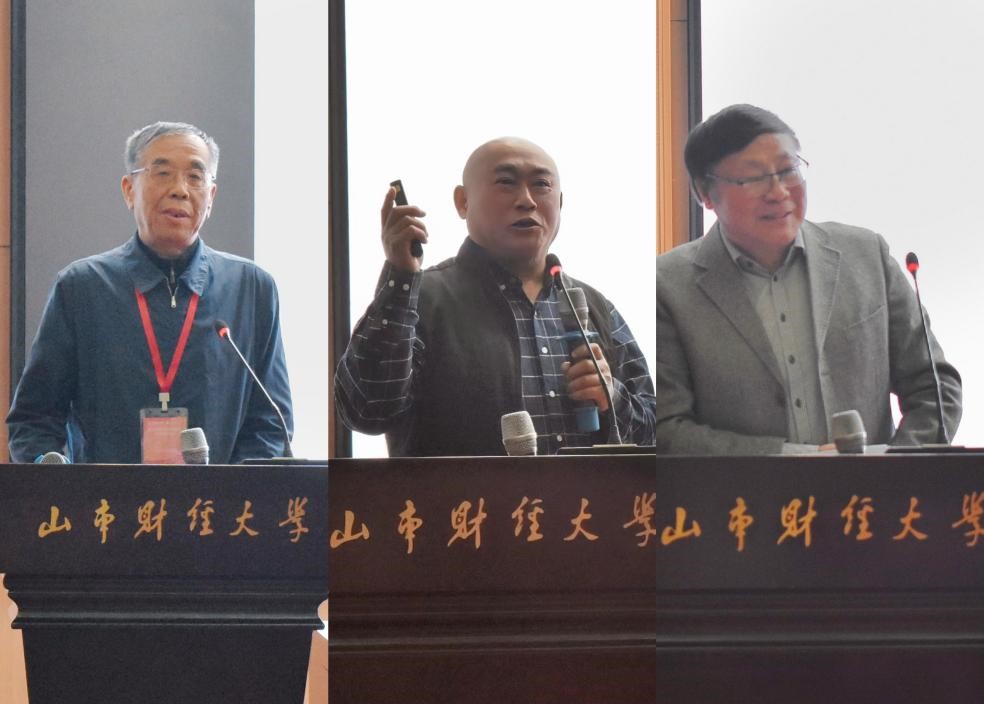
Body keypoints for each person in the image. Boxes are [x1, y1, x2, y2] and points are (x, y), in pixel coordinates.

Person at [653, 104, 961, 454]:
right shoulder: (668, 286)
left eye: (788, 170)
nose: (778, 192)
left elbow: (935, 387)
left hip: (875, 489)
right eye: (753, 178)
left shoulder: (866, 256)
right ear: (705, 193)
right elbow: (669, 429)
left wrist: (895, 466)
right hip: (742, 490)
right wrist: (796, 461)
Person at [335, 137, 657, 456]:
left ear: (560, 203)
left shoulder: (595, 306)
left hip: (586, 494)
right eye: (506, 182)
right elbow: (366, 410)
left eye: (541, 185)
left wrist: (612, 398)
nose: (527, 200)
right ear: (463, 202)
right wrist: (401, 278)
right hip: (463, 494)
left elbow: (657, 435)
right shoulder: (422, 300)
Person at [7, 121, 292, 463]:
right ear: (129, 189)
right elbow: (34, 419)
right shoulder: (82, 287)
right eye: (163, 173)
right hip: (105, 497)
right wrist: (52, 470)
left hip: (218, 497)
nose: (180, 190)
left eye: (195, 177)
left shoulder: (251, 289)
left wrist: (239, 488)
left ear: (211, 197)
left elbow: (270, 424)